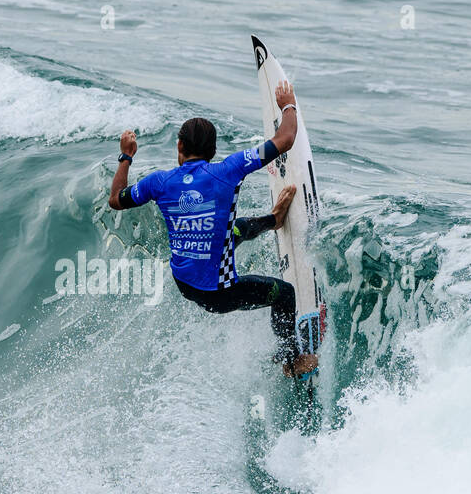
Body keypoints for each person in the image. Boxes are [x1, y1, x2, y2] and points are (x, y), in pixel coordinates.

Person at [108, 80, 318, 377]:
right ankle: (292, 360)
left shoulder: (159, 182)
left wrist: (126, 156)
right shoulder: (228, 170)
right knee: (284, 293)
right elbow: (286, 138)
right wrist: (288, 104)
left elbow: (116, 199)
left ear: (179, 147)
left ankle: (274, 220)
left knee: (235, 230)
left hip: (185, 283)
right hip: (219, 292)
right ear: (213, 150)